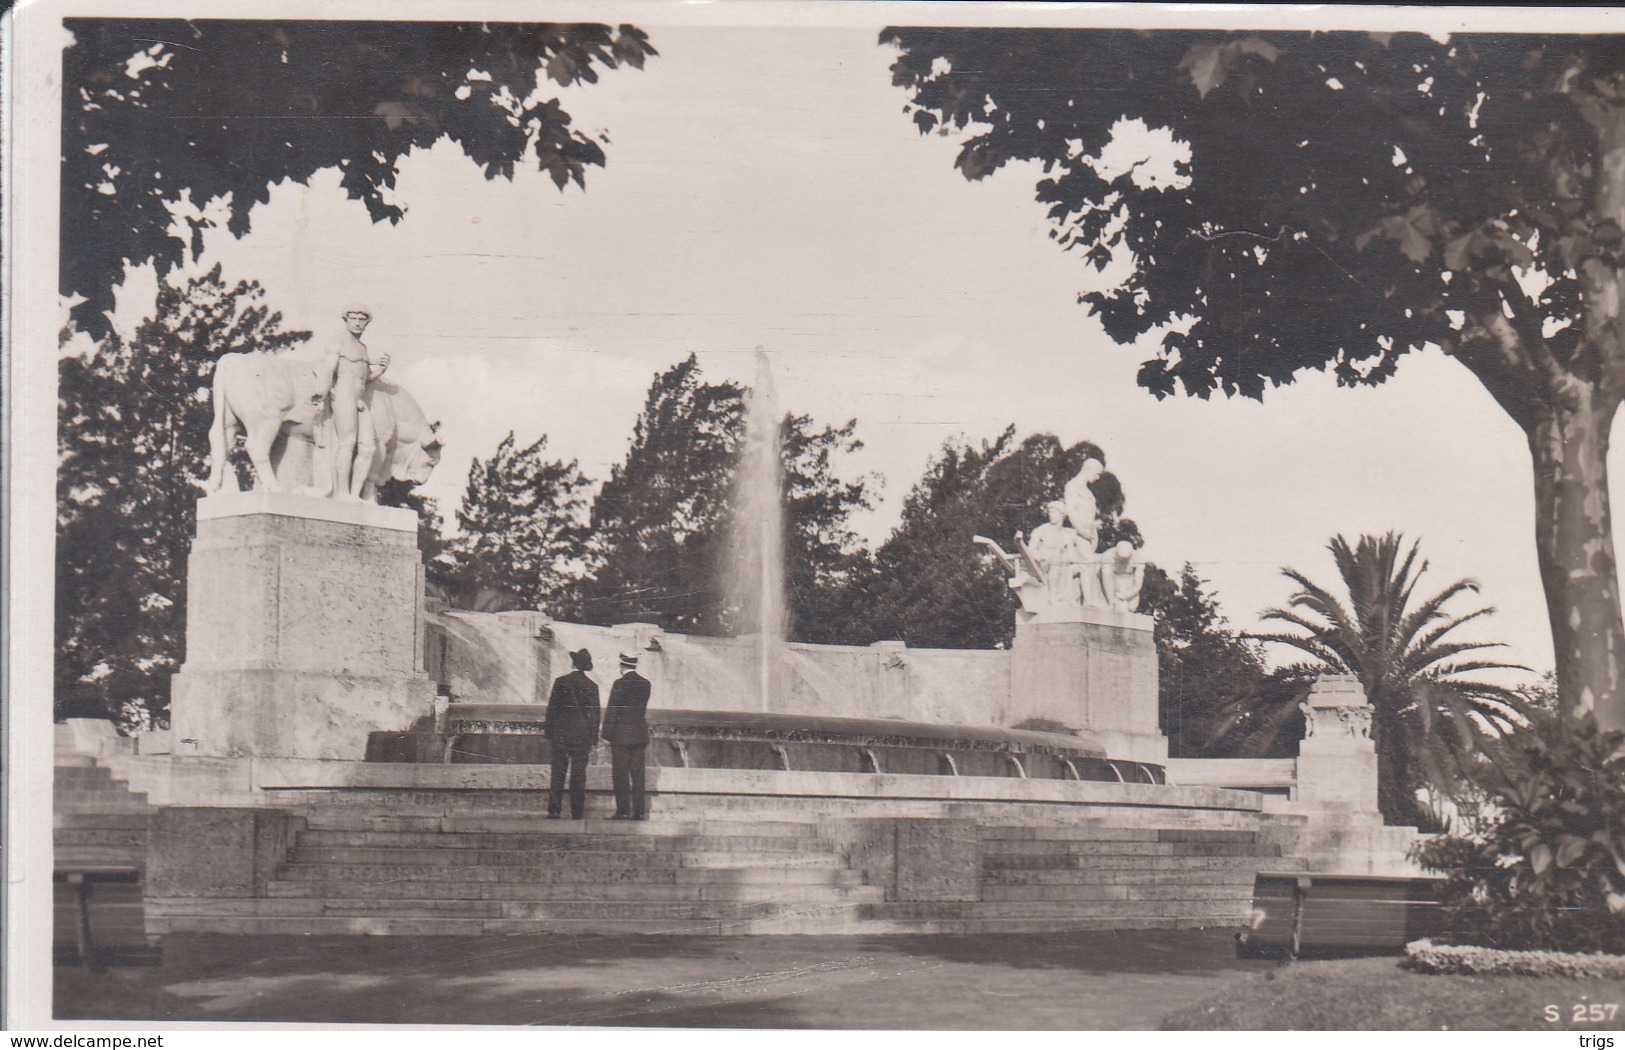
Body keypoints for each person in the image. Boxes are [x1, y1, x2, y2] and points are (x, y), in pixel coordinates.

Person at [322, 305, 390, 499]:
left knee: (368, 448)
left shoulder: (362, 348)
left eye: (362, 319)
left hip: (358, 399)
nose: (358, 322)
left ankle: (353, 495)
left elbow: (364, 378)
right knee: (348, 442)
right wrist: (321, 393)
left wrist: (381, 370)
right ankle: (342, 492)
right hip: (343, 396)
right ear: (346, 320)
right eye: (354, 318)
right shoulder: (337, 342)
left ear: (367, 322)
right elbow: (328, 370)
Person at [543, 649, 601, 819]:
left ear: (573, 663)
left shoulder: (561, 682)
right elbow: (595, 715)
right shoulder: (592, 686)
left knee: (558, 773)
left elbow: (552, 710)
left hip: (561, 734)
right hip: (582, 736)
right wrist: (593, 739)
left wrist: (549, 733)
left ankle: (554, 810)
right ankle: (577, 812)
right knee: (579, 775)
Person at [602, 652, 652, 820]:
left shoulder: (619, 684)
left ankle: (623, 811)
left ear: (622, 666)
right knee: (638, 775)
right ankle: (639, 812)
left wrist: (606, 735)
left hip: (621, 736)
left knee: (620, 774)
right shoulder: (646, 684)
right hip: (639, 735)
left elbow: (612, 711)